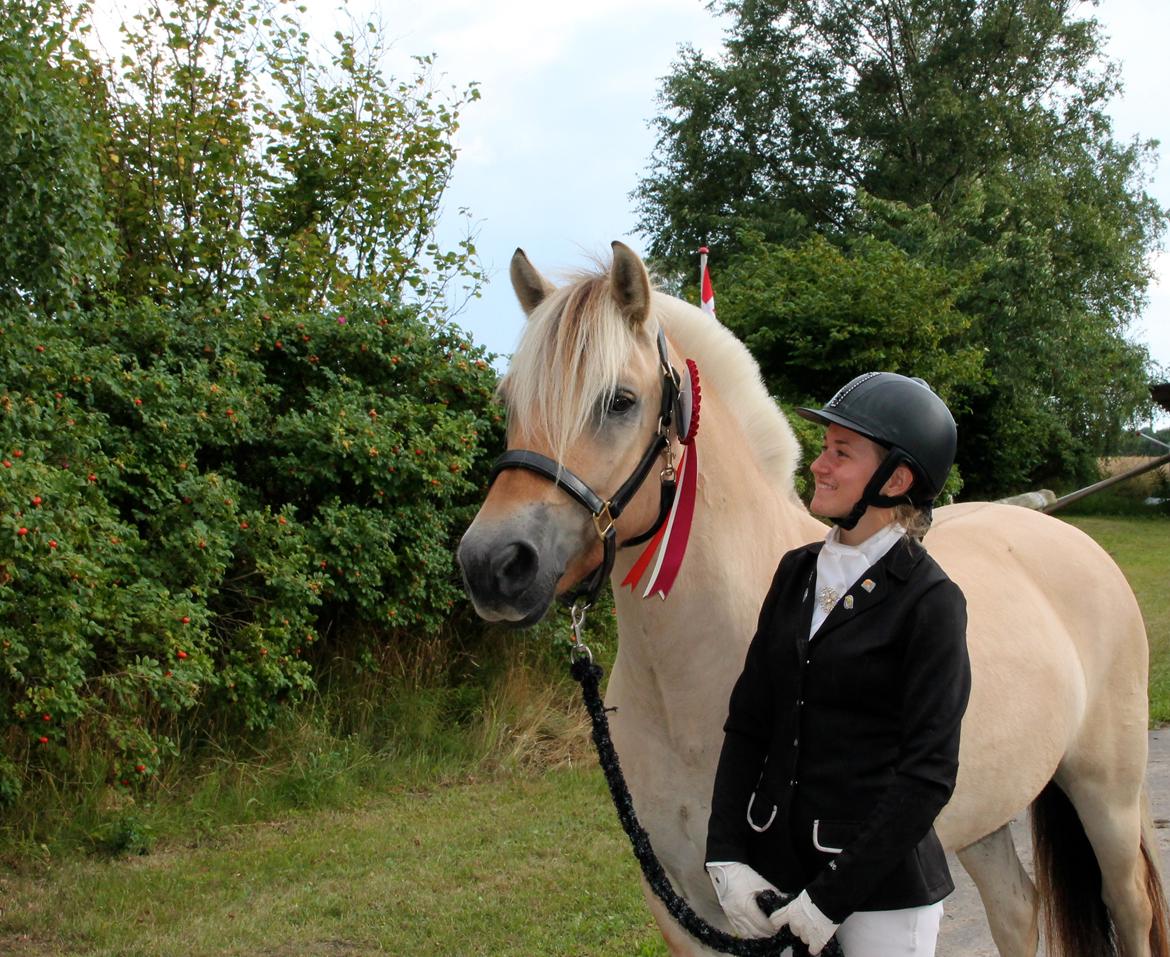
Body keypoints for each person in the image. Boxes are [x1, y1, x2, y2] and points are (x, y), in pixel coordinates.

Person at [704, 372, 972, 957]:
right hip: (775, 875)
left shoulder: (931, 602)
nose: (819, 465)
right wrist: (725, 851)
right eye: (824, 449)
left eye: (840, 453)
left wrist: (829, 899)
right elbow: (750, 720)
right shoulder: (795, 572)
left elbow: (928, 776)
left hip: (883, 900)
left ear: (896, 477)